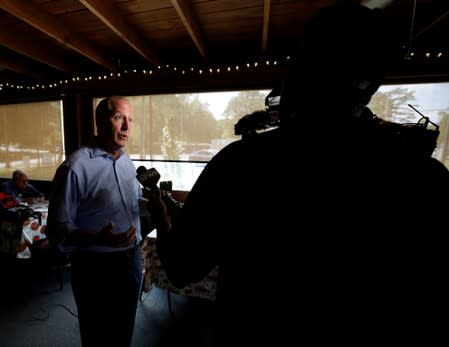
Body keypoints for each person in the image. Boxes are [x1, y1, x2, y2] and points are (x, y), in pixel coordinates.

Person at [153, 3, 449, 346]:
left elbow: (181, 267)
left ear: (303, 67)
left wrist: (162, 216)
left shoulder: (243, 164)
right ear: (370, 85)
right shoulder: (426, 176)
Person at [46, 96, 143, 347]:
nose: (126, 126)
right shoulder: (75, 167)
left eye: (130, 119)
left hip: (131, 261)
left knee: (124, 331)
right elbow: (56, 228)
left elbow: (131, 202)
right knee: (98, 335)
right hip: (96, 268)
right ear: (101, 121)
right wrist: (97, 239)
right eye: (119, 117)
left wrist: (151, 205)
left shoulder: (127, 163)